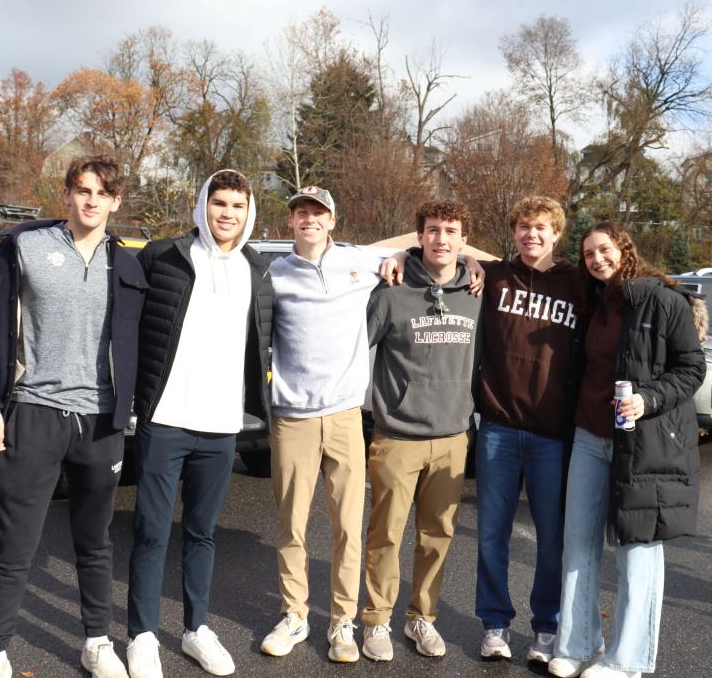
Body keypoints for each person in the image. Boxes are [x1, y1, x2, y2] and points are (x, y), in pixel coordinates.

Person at [0, 155, 146, 678]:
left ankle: (96, 643)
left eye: (102, 193)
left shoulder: (128, 264)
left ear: (116, 201)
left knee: (95, 543)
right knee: (15, 544)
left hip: (101, 422)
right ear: (67, 193)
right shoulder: (25, 247)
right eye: (81, 190)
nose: (91, 201)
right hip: (35, 413)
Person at [125, 169, 272, 677]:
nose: (226, 213)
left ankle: (195, 629)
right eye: (218, 202)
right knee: (149, 532)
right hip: (165, 418)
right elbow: (126, 321)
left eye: (236, 205)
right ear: (202, 205)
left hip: (221, 425)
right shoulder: (163, 256)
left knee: (202, 532)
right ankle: (141, 635)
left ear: (248, 212)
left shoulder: (257, 269)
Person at [548, 221, 705, 678]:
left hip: (643, 444)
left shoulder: (660, 299)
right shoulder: (593, 303)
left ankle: (628, 660)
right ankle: (577, 645)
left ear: (624, 249)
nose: (597, 259)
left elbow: (692, 368)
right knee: (578, 544)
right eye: (589, 254)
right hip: (589, 438)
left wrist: (648, 398)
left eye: (604, 250)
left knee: (637, 548)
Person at [259, 186, 382, 664]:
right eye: (301, 213)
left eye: (318, 212)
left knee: (348, 527)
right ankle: (294, 616)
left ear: (333, 220)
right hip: (292, 418)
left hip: (346, 416)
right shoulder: (273, 272)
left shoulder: (362, 263)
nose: (309, 219)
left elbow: (429, 251)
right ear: (291, 222)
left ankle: (341, 623)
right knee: (292, 525)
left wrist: (477, 266)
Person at [360, 200, 483, 661]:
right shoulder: (391, 290)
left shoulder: (476, 293)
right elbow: (353, 347)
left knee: (437, 537)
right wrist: (387, 261)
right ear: (419, 237)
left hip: (453, 436)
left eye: (451, 230)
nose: (441, 239)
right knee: (385, 535)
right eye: (433, 230)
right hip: (396, 435)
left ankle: (421, 619)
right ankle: (375, 621)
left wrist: (477, 266)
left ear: (462, 240)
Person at [472, 196, 579, 663]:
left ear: (556, 233)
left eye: (540, 227)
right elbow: (436, 251)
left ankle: (546, 630)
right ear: (513, 232)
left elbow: (624, 280)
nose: (530, 234)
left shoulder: (577, 283)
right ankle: (495, 626)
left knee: (551, 540)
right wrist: (398, 255)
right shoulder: (495, 275)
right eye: (522, 226)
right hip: (497, 427)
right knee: (491, 534)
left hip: (551, 436)